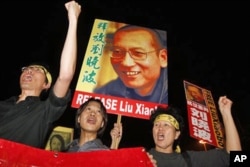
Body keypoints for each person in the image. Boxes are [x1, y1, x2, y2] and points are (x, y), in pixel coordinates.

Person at [0, 1, 81, 148]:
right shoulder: (3, 105)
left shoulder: (44, 111)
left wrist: (73, 20)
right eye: (26, 69)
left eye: (38, 70)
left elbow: (65, 75)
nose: (29, 71)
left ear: (47, 84)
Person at [148, 96, 241, 167]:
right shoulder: (141, 158)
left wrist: (226, 113)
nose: (160, 128)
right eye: (156, 125)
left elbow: (234, 158)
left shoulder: (189, 159)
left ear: (176, 134)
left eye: (166, 125)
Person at [94, 25, 168, 104]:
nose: (126, 63)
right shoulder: (104, 93)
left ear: (162, 58)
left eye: (138, 53)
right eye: (117, 52)